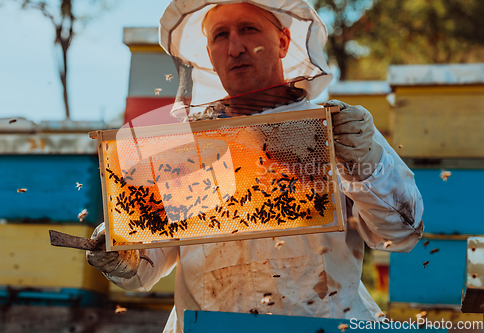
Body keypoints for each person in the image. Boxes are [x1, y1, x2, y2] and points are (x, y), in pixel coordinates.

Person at [87, 1, 424, 332]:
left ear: (283, 41)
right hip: (207, 326)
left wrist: (366, 162)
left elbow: (400, 233)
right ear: (208, 53)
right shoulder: (189, 146)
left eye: (248, 29)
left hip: (320, 324)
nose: (235, 47)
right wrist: (122, 252)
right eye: (220, 35)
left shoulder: (335, 129)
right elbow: (148, 263)